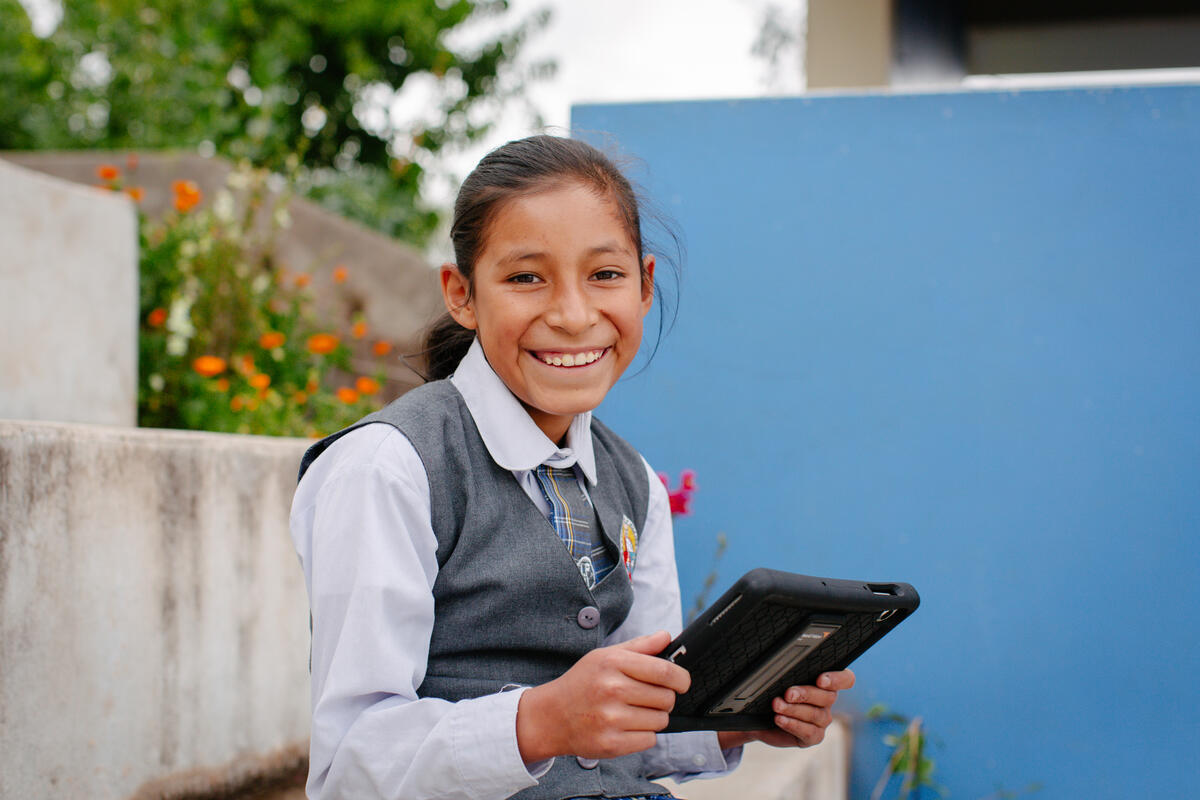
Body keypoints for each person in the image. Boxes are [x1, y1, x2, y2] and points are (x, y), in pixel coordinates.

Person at [290, 134, 855, 800]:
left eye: (605, 275)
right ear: (462, 293)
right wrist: (540, 723)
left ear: (644, 287)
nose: (572, 314)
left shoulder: (633, 481)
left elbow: (630, 732)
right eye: (526, 276)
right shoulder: (389, 467)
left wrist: (742, 719)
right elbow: (351, 764)